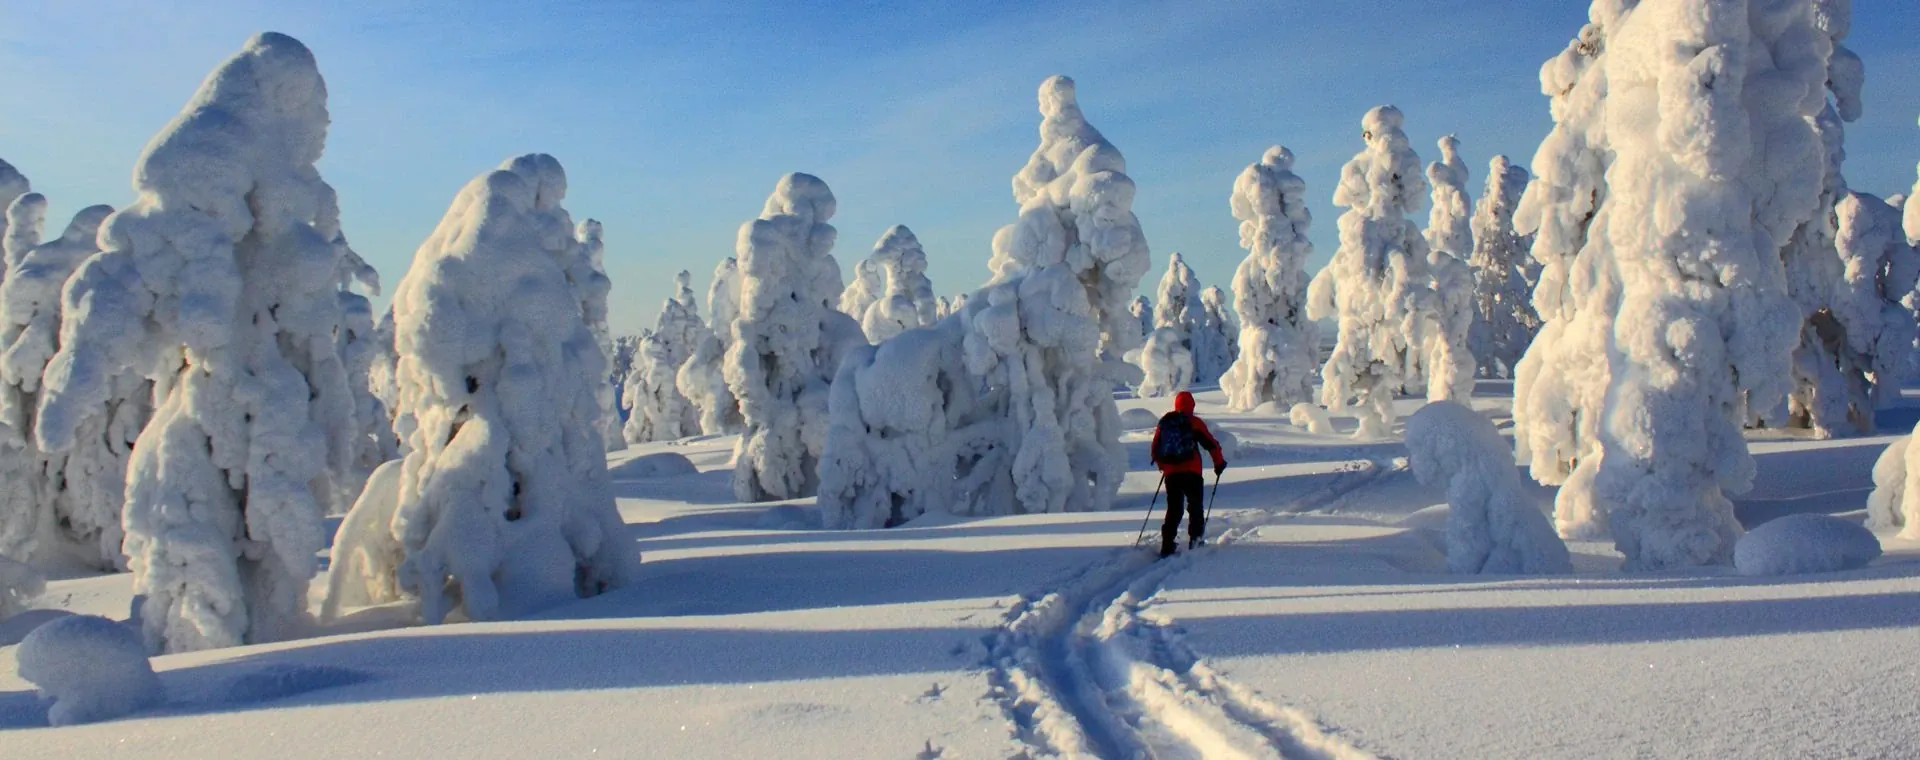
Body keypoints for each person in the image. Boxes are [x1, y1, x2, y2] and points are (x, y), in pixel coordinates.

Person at [1149, 391, 1226, 557]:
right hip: (1192, 472)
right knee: (1195, 506)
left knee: (1174, 508)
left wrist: (1164, 466)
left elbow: (1155, 448)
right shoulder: (1194, 423)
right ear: (1192, 405)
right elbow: (1211, 444)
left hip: (1171, 474)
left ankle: (1167, 544)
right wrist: (1219, 463)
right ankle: (1195, 540)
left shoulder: (1166, 422)